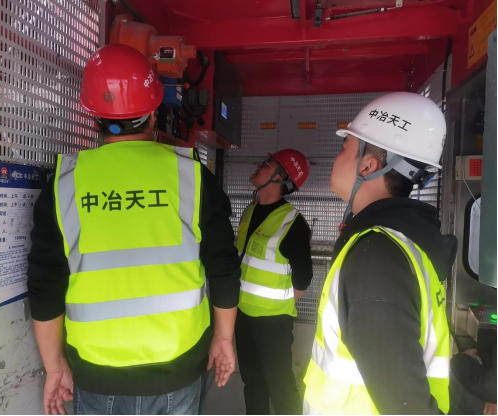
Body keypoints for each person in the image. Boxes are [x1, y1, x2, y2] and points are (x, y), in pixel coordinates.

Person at [27, 44, 241, 416]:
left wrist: (55, 366)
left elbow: (45, 287)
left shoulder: (63, 186)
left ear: (93, 115)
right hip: (178, 369)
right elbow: (224, 268)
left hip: (98, 375)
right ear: (154, 112)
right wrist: (223, 337)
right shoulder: (192, 178)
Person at [303, 92, 458, 415]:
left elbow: (407, 406)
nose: (335, 159)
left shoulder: (376, 257)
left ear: (368, 165)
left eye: (344, 148)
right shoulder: (402, 244)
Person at [236, 150, 313, 415]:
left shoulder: (293, 222)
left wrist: (279, 305)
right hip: (243, 315)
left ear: (280, 177)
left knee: (280, 385)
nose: (259, 165)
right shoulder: (250, 210)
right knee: (252, 383)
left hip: (273, 322)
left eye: (266, 164)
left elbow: (303, 277)